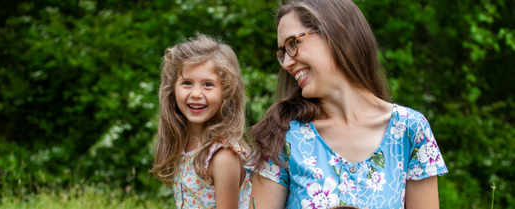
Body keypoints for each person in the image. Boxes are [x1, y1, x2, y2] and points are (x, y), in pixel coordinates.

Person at [248, 0, 448, 208]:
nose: (287, 63)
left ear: (338, 32)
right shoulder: (281, 136)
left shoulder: (410, 131)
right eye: (283, 53)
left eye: (293, 44)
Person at [151, 33, 251, 209]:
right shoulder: (182, 144)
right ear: (172, 89)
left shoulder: (223, 155)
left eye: (208, 84)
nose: (196, 94)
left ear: (226, 93)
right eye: (187, 83)